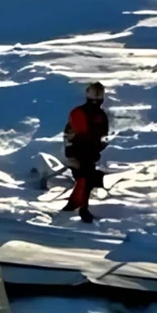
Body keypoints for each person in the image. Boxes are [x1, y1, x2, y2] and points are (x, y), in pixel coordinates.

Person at [62, 81, 109, 222]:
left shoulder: (100, 115)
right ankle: (81, 208)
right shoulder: (81, 112)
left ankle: (75, 205)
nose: (97, 99)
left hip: (89, 152)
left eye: (99, 96)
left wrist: (100, 146)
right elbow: (77, 133)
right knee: (85, 179)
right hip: (79, 151)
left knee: (86, 180)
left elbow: (102, 134)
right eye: (95, 95)